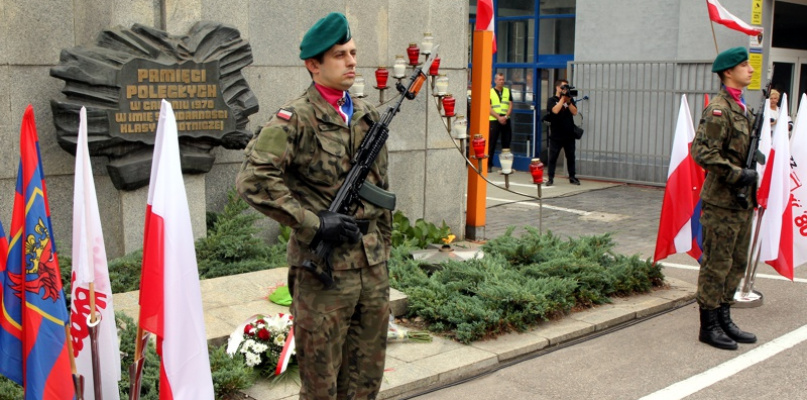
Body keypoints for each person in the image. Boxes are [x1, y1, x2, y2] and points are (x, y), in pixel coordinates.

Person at [236, 12, 393, 399]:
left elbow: (382, 192)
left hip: (371, 268)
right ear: (314, 65)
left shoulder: (368, 116)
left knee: (366, 382)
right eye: (340, 55)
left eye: (353, 52)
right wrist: (313, 223)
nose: (351, 61)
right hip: (324, 273)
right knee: (321, 386)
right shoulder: (295, 119)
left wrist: (384, 252)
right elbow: (254, 180)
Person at [691, 46, 758, 351]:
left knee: (737, 262)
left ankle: (724, 317)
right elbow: (702, 153)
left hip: (742, 202)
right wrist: (737, 174)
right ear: (728, 72)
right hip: (721, 201)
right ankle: (709, 325)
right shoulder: (719, 109)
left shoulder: (743, 107)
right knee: (717, 264)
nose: (751, 70)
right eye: (745, 65)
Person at [545, 79, 579, 185]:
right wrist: (562, 99)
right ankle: (550, 178)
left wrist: (568, 101)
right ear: (557, 88)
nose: (565, 89)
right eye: (563, 87)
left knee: (571, 157)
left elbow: (575, 112)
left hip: (569, 134)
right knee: (553, 157)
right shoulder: (551, 100)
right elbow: (555, 110)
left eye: (567, 87)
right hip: (556, 134)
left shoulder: (569, 99)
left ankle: (572, 177)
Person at [489, 72, 512, 172]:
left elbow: (510, 105)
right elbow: (488, 107)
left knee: (506, 143)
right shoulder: (490, 92)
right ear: (495, 81)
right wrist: (498, 117)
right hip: (494, 120)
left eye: (503, 79)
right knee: (492, 143)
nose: (501, 81)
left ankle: (506, 166)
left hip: (506, 120)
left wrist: (505, 117)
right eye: (499, 79)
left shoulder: (507, 91)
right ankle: (489, 165)